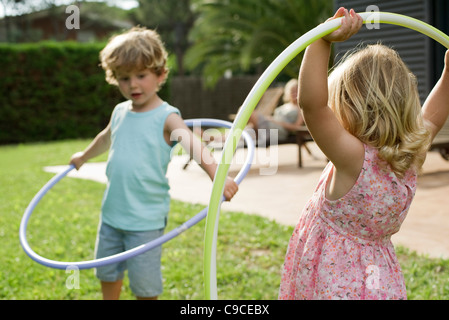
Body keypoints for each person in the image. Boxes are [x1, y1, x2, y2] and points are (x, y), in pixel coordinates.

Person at [278, 8, 449, 300]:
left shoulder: (352, 159)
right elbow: (433, 115)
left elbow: (312, 105)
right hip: (378, 280)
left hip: (335, 279)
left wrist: (322, 40)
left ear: (348, 107)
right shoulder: (410, 154)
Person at [69, 27, 238, 300]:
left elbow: (194, 146)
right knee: (107, 272)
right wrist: (83, 157)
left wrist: (218, 176)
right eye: (124, 78)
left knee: (145, 285)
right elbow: (105, 138)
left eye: (141, 76)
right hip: (112, 214)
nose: (133, 85)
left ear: (160, 74)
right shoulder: (120, 112)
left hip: (145, 220)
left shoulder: (167, 117)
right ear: (114, 78)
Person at [247, 78, 305, 144]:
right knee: (248, 125)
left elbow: (297, 127)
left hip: (279, 130)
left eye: (296, 91)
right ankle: (256, 135)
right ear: (288, 92)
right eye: (292, 91)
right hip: (270, 125)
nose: (294, 93)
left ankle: (258, 136)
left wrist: (277, 122)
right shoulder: (285, 106)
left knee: (249, 113)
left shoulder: (300, 108)